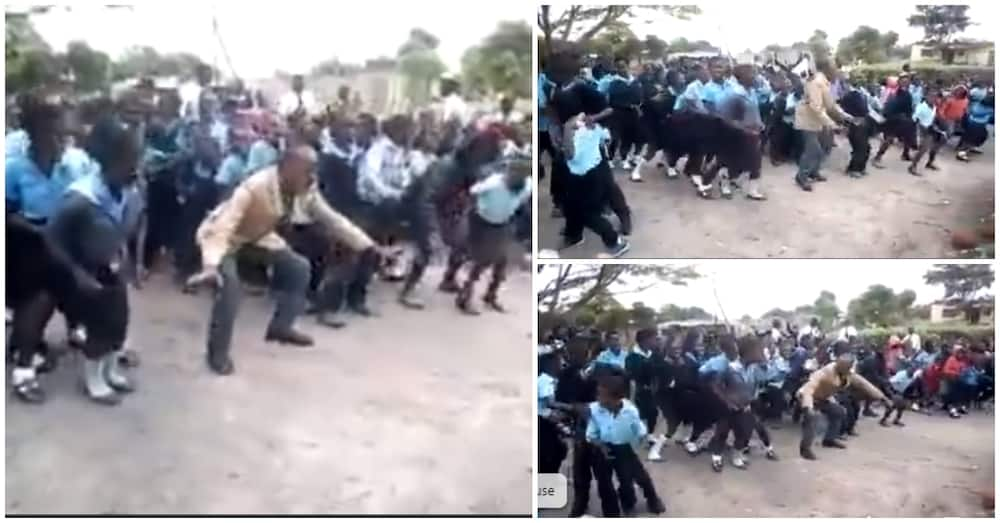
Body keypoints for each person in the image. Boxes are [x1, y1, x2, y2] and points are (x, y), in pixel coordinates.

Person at [186, 144, 380, 375]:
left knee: (298, 267)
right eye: (307, 170)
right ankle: (217, 356)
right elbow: (223, 227)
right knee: (230, 290)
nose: (312, 176)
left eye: (314, 170)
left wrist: (369, 245)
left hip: (256, 237)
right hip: (222, 240)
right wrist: (210, 266)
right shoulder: (255, 186)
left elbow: (333, 220)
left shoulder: (306, 189)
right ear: (287, 167)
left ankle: (281, 327)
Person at [46, 117, 143, 404]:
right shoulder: (81, 198)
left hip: (114, 270)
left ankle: (110, 372)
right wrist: (76, 274)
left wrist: (133, 263)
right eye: (129, 161)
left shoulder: (128, 192)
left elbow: (128, 230)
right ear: (109, 161)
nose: (136, 168)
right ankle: (93, 381)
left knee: (118, 325)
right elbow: (51, 239)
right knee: (100, 329)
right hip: (87, 275)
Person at [454, 159, 531, 314]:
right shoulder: (494, 183)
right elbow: (472, 192)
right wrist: (477, 209)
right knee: (482, 261)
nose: (516, 177)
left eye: (521, 174)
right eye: (513, 173)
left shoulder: (528, 186)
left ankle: (490, 295)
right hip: (482, 222)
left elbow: (522, 202)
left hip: (502, 224)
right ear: (507, 172)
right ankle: (464, 296)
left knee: (503, 260)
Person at [586, 372, 666, 516]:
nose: (599, 399)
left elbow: (640, 430)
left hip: (624, 448)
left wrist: (639, 442)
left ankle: (652, 499)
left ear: (617, 398)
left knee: (638, 477)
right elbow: (591, 435)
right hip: (603, 447)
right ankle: (620, 507)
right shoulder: (595, 410)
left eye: (603, 396)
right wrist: (601, 446)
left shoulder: (630, 411)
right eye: (598, 394)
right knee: (604, 482)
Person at [796, 350, 889, 460]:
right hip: (807, 396)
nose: (845, 367)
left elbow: (864, 384)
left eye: (847, 366)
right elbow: (809, 388)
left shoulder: (848, 373)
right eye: (841, 364)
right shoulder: (826, 372)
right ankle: (805, 449)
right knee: (812, 418)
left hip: (823, 398)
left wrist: (883, 397)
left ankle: (829, 440)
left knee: (839, 411)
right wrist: (808, 407)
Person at [793, 57, 861, 192]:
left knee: (825, 148)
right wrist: (833, 124)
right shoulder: (816, 83)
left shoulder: (824, 82)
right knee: (813, 150)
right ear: (826, 68)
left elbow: (831, 105)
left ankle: (813, 172)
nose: (836, 70)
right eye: (834, 67)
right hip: (808, 121)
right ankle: (801, 176)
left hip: (818, 120)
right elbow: (816, 107)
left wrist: (846, 116)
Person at [872, 74, 916, 168]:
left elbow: (908, 109)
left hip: (901, 119)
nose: (904, 83)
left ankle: (905, 154)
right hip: (892, 119)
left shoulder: (907, 94)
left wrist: (909, 118)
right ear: (899, 82)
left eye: (906, 81)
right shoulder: (894, 92)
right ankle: (877, 157)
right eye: (903, 81)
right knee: (889, 139)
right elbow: (888, 105)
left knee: (908, 136)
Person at [908, 90, 946, 176]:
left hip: (931, 128)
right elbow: (914, 119)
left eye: (935, 97)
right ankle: (913, 166)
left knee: (937, 145)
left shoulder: (934, 107)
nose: (934, 98)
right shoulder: (921, 107)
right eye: (931, 96)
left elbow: (932, 118)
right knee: (923, 148)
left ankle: (930, 162)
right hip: (923, 129)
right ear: (927, 97)